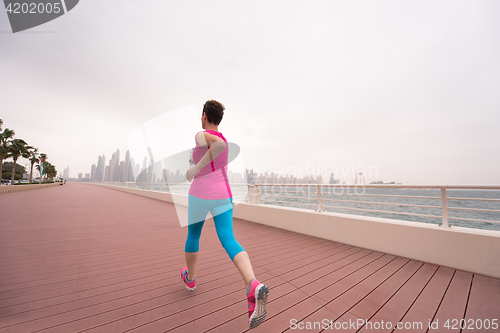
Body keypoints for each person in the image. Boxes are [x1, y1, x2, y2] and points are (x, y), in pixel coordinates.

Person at [183, 100, 269, 329]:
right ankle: (252, 283)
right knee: (228, 239)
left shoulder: (202, 135)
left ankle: (190, 280)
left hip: (200, 195)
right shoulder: (210, 141)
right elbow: (217, 150)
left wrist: (194, 169)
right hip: (222, 194)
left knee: (193, 237)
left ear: (204, 116)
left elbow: (218, 145)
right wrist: (194, 161)